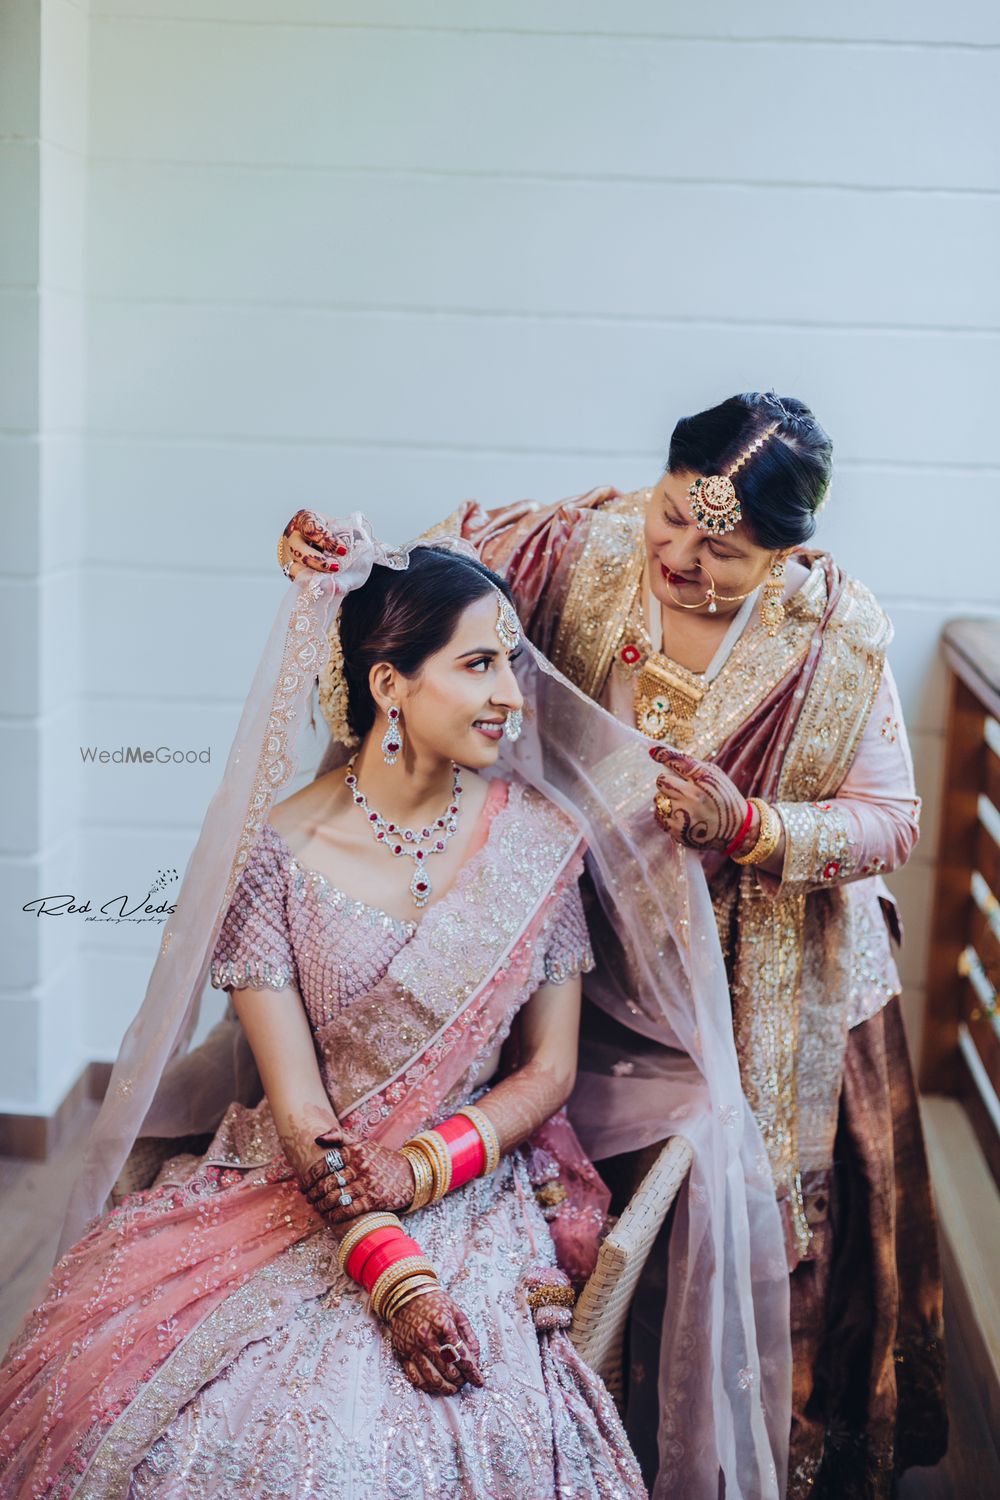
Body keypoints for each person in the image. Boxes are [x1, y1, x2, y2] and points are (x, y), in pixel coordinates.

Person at [275, 393, 948, 1499]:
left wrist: (750, 828)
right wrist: (335, 564)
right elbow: (415, 595)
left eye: (721, 547)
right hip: (571, 931)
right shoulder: (569, 547)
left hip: (756, 976)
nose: (679, 553)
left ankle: (705, 1444)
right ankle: (580, 1427)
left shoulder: (834, 643)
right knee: (559, 1162)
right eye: (674, 513)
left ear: (789, 552)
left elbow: (893, 820)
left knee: (725, 1196)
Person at [0, 539, 647, 1498]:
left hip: (470, 1189)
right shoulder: (274, 856)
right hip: (297, 1181)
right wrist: (394, 1274)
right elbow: (299, 1107)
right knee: (154, 1416)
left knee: (378, 1447)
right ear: (390, 682)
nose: (512, 691)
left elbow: (547, 1070)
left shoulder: (542, 844)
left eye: (512, 659)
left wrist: (422, 1169)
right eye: (478, 663)